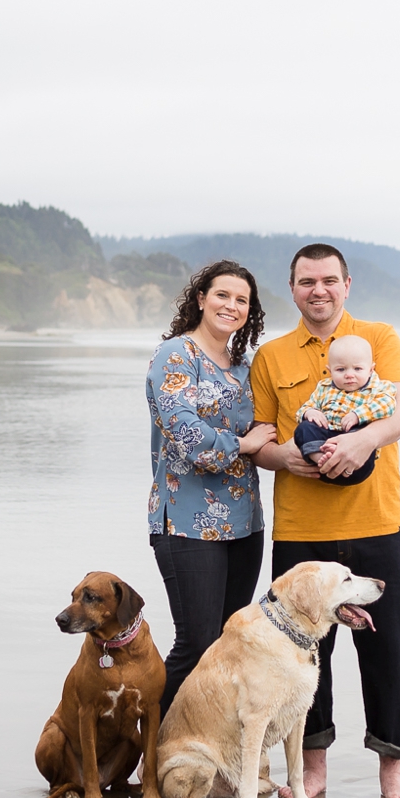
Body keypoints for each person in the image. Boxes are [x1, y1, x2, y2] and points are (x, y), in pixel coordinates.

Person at [250, 243, 400, 798]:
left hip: (377, 521)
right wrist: (286, 459)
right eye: (305, 282)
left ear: (347, 284)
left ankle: (392, 774)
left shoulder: (380, 338)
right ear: (293, 288)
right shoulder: (272, 356)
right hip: (302, 531)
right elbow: (260, 440)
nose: (317, 290)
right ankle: (313, 771)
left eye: (328, 280)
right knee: (302, 654)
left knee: (389, 651)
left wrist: (362, 439)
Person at [146, 260, 278, 715]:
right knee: (196, 642)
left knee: (226, 645)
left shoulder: (243, 366)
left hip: (245, 525)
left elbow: (272, 425)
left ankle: (209, 749)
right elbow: (184, 434)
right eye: (222, 295)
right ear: (201, 298)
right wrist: (243, 443)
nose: (231, 305)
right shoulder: (176, 355)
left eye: (242, 300)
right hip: (185, 522)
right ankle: (153, 752)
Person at [292, 334, 398, 487]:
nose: (349, 375)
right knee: (303, 429)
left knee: (362, 433)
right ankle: (321, 458)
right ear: (330, 370)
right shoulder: (324, 387)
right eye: (341, 369)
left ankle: (336, 458)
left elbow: (388, 405)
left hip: (357, 456)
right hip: (325, 444)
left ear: (370, 369)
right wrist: (310, 412)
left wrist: (358, 415)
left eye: (357, 369)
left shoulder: (380, 387)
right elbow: (306, 407)